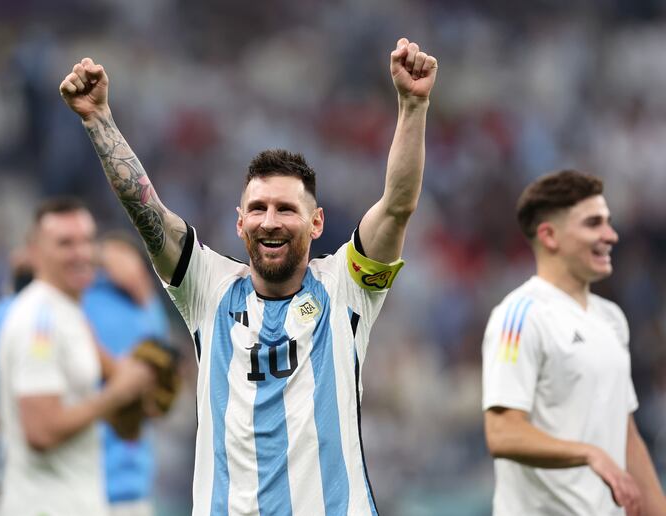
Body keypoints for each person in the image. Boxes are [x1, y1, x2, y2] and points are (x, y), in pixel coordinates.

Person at [61, 37, 437, 513]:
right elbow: (145, 209)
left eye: (286, 209)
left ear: (316, 222)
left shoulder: (347, 287)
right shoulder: (207, 288)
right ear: (239, 222)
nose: (270, 221)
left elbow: (398, 206)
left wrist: (413, 105)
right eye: (257, 209)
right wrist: (98, 119)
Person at [481, 170, 666, 516]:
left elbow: (625, 435)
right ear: (550, 236)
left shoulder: (611, 318)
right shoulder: (519, 316)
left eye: (608, 222)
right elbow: (502, 432)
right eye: (593, 224)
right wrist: (588, 452)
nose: (610, 235)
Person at [0, 198, 155, 516]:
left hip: (74, 500)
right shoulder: (38, 321)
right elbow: (41, 430)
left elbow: (119, 375)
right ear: (35, 252)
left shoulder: (68, 311)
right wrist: (118, 395)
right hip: (43, 506)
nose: (81, 253)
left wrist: (141, 382)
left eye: (86, 241)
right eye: (65, 243)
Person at [83, 233, 170, 516]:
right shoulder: (75, 297)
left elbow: (158, 385)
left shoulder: (147, 307)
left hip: (131, 483)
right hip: (75, 481)